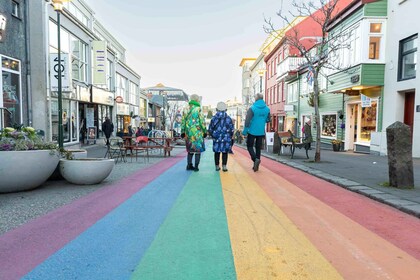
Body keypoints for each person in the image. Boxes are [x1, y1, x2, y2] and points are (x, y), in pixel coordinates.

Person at [242, 93, 270, 172]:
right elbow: (268, 120)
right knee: (258, 148)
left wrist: (244, 131)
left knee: (249, 146)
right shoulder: (267, 109)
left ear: (256, 99)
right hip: (261, 131)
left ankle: (255, 160)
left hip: (252, 131)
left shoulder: (252, 108)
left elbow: (247, 121)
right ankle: (256, 166)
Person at [181, 94, 207, 172]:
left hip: (188, 133)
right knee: (197, 150)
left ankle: (189, 165)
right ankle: (196, 167)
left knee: (190, 149)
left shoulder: (185, 109)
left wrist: (182, 132)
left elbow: (183, 121)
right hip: (197, 133)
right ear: (197, 100)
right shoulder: (198, 109)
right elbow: (202, 121)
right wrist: (205, 131)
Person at [208, 101, 234, 172]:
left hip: (216, 138)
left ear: (217, 109)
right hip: (226, 138)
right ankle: (224, 166)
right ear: (226, 109)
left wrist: (213, 135)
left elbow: (210, 129)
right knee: (225, 152)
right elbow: (232, 129)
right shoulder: (228, 118)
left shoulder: (214, 118)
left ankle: (217, 166)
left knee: (217, 152)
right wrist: (230, 136)